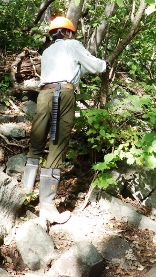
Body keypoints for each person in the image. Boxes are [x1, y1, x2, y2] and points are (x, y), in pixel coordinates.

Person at [22, 16, 107, 224]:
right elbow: (94, 66)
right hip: (64, 95)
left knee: (36, 142)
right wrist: (106, 64)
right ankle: (48, 207)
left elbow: (78, 67)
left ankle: (24, 194)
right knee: (57, 144)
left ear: (53, 34)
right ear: (68, 32)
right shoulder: (73, 45)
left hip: (44, 94)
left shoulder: (48, 51)